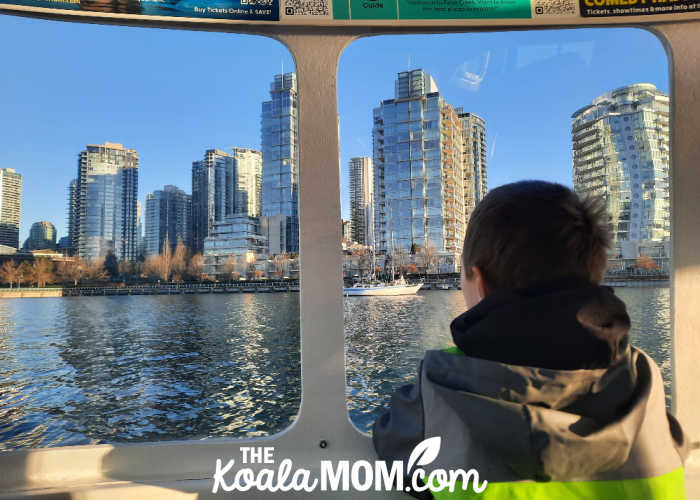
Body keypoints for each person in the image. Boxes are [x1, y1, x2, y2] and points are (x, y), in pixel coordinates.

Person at [373, 180, 687, 499]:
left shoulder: (440, 384)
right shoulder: (643, 378)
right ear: (593, 273)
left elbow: (397, 451)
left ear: (478, 282)